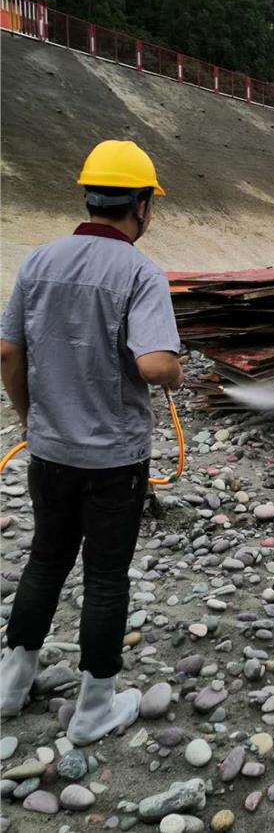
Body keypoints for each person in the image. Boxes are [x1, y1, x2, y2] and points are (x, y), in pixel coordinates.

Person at [0, 140, 183, 744]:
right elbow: (155, 366)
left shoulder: (38, 262)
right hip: (114, 461)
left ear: (88, 196)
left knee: (46, 560)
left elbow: (7, 353)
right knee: (106, 577)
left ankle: (11, 683)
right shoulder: (139, 272)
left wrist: (31, 420)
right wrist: (175, 371)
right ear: (141, 207)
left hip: (49, 453)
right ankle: (95, 706)